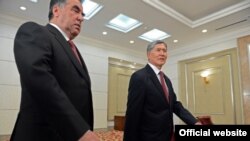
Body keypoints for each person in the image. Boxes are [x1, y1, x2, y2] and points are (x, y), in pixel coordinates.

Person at [10, 0, 100, 141]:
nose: (81, 18)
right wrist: (80, 131)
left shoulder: (73, 49)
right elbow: (40, 82)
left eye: (82, 14)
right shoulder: (35, 31)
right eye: (75, 10)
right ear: (56, 11)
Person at [123, 40, 201, 141]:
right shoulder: (139, 77)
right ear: (149, 54)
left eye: (164, 50)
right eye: (158, 50)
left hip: (167, 135)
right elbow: (133, 114)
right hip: (148, 137)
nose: (162, 53)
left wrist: (194, 122)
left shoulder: (166, 79)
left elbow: (175, 104)